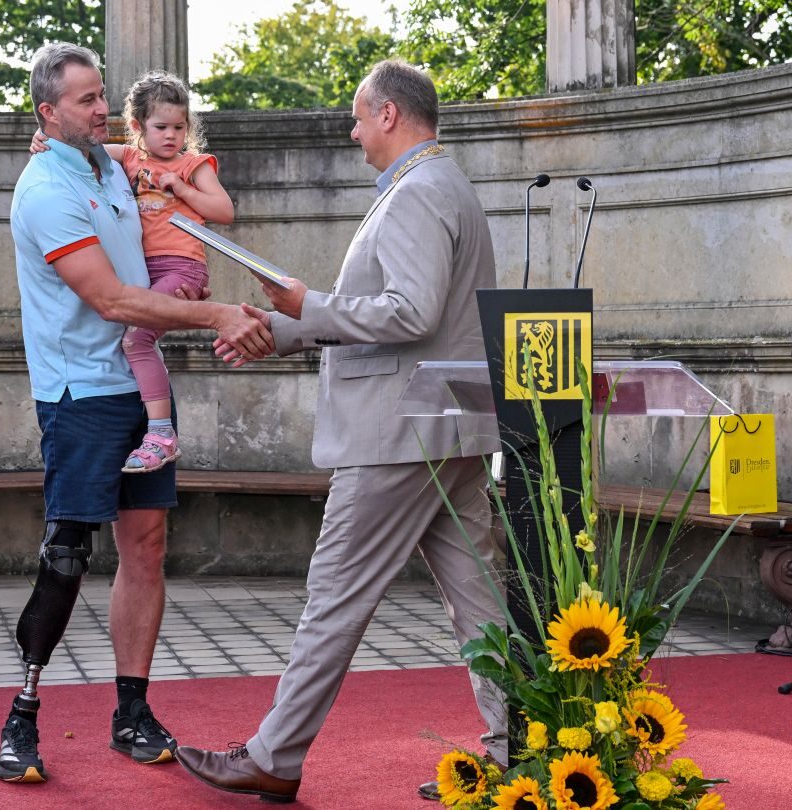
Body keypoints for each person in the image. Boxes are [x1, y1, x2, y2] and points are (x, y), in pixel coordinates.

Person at [174, 59, 507, 804]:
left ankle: (275, 755)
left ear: (390, 114)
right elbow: (395, 315)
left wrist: (307, 304)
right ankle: (517, 748)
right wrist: (283, 326)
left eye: (359, 117)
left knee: (335, 595)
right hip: (445, 429)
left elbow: (409, 313)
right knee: (480, 601)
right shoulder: (440, 187)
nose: (353, 133)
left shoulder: (418, 194)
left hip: (398, 435)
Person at [0, 41, 273, 785]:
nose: (100, 109)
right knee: (67, 557)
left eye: (101, 96)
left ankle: (130, 711)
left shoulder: (109, 163)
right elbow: (113, 300)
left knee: (146, 546)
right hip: (79, 395)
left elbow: (143, 150)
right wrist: (218, 312)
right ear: (47, 113)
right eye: (85, 101)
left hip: (134, 389)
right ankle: (21, 717)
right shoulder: (46, 190)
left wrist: (114, 141)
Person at [31, 71, 232, 474]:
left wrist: (182, 188)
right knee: (139, 342)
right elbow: (80, 149)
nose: (171, 136)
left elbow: (224, 211)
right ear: (138, 126)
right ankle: (156, 427)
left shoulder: (194, 164)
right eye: (161, 127)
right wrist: (42, 141)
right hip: (150, 273)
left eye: (179, 127)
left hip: (181, 267)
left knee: (136, 341)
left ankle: (161, 434)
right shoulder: (129, 157)